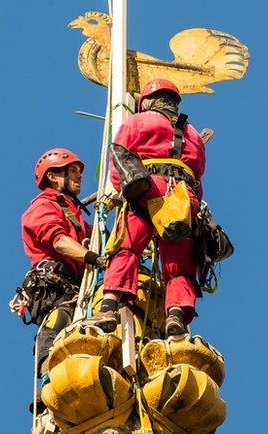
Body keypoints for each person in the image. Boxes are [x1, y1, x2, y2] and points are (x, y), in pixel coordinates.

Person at [86, 78, 206, 336]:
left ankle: (109, 306)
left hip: (148, 190)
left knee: (127, 247)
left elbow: (119, 161)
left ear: (148, 102)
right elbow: (198, 173)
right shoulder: (193, 134)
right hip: (185, 198)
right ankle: (176, 315)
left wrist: (123, 192)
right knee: (179, 265)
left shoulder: (138, 121)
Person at [20, 148, 104, 374]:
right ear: (53, 176)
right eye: (73, 171)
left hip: (76, 286)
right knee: (59, 321)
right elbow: (57, 241)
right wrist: (92, 258)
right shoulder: (43, 205)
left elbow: (102, 238)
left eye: (79, 171)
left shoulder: (74, 213)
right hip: (54, 284)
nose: (79, 176)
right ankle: (48, 376)